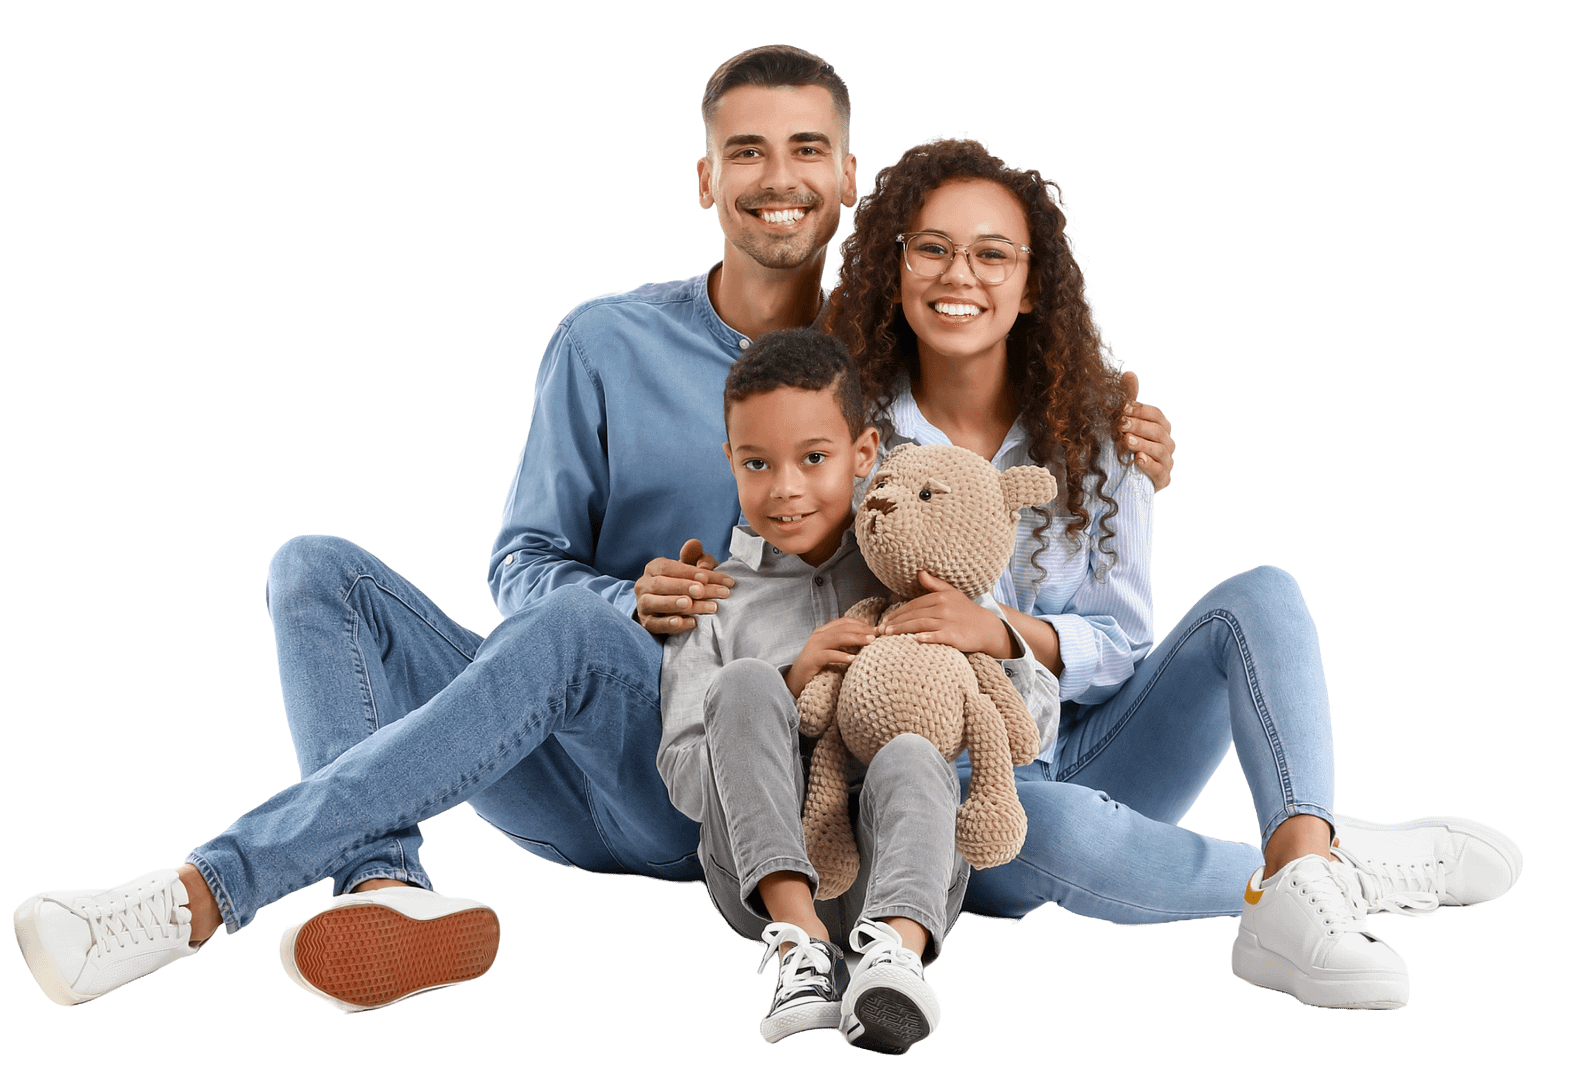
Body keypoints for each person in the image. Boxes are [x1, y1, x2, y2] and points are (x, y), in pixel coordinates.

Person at [10, 46, 1174, 1015]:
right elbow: (520, 564)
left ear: (846, 182)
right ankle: (379, 886)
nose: (778, 176)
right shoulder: (602, 341)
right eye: (747, 150)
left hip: (766, 774)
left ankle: (194, 896)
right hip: (592, 741)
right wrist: (631, 604)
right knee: (320, 570)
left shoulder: (883, 374)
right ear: (704, 178)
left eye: (807, 150)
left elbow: (1000, 427)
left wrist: (1110, 408)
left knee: (578, 629)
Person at [822, 134, 1524, 1009]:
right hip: (967, 795)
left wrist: (1008, 631)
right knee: (1055, 825)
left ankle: (1306, 855)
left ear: (1034, 283)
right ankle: (1327, 873)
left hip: (1095, 743)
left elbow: (1124, 646)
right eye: (931, 247)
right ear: (896, 266)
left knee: (1261, 593)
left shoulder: (1102, 436)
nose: (958, 274)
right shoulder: (846, 432)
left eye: (991, 253)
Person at [660, 328, 1054, 1052]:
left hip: (905, 871)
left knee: (910, 753)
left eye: (814, 458)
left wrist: (996, 636)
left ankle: (896, 963)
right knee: (746, 683)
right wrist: (789, 689)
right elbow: (685, 780)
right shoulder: (710, 596)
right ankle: (802, 955)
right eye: (757, 462)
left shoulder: (912, 562)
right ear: (731, 463)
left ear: (864, 455)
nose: (785, 487)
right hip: (759, 891)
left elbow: (1038, 727)